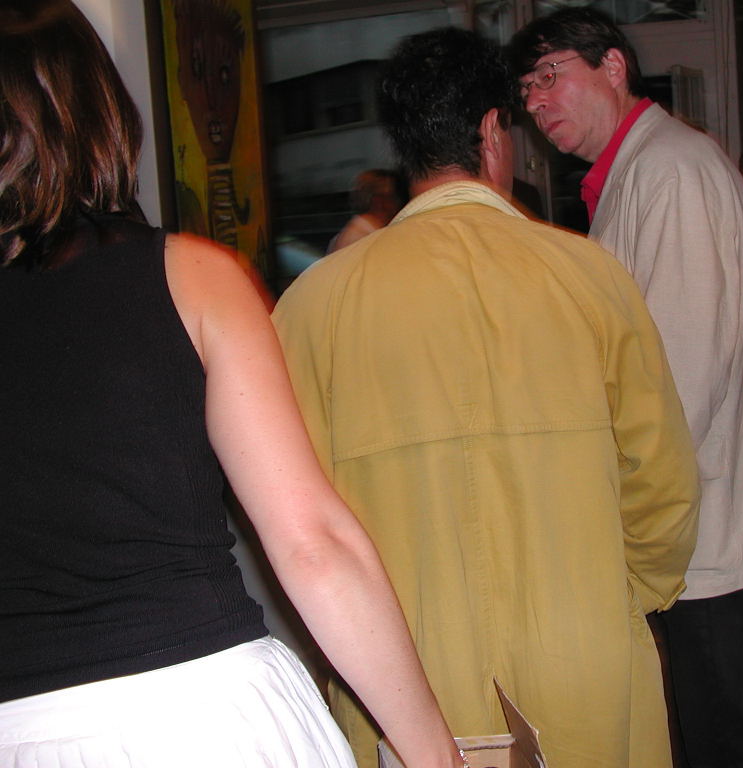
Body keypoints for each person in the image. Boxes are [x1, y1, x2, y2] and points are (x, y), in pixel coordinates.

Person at [0, 4, 464, 768]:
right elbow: (312, 544)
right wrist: (436, 756)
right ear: (99, 111)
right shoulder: (190, 277)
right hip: (204, 713)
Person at [273, 26, 701, 768]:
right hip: (581, 645)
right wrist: (625, 591)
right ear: (493, 130)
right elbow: (662, 483)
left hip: (402, 670)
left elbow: (295, 521)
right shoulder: (591, 277)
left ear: (404, 145)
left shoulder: (313, 306)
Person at [510, 10, 743, 768]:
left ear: (613, 67)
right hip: (697, 501)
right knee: (722, 709)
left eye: (549, 74)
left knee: (730, 726)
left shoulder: (669, 170)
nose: (536, 101)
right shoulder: (641, 168)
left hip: (702, 508)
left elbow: (684, 372)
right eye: (525, 90)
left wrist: (634, 505)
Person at [326, 169, 402, 253]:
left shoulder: (371, 232)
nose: (397, 203)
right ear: (378, 200)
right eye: (392, 197)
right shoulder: (360, 237)